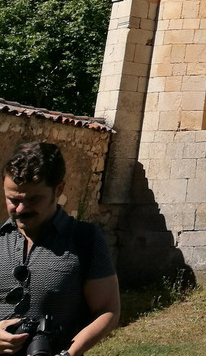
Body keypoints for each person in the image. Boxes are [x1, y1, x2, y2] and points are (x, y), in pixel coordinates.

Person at [1, 143, 119, 356]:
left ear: (59, 189)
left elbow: (107, 310)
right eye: (13, 199)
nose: (20, 209)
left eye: (33, 199)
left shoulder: (85, 239)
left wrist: (69, 354)